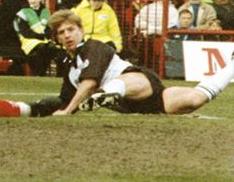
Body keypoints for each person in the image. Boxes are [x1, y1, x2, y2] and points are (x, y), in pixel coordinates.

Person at [47, 9, 234, 116]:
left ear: (81, 30)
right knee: (195, 99)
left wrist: (69, 111)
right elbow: (63, 101)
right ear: (56, 38)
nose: (67, 35)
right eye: (62, 33)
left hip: (140, 82)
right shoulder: (70, 68)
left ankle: (107, 94)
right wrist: (25, 108)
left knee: (120, 82)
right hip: (146, 104)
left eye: (71, 29)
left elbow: (89, 83)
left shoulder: (94, 46)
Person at [15, 0, 56, 76]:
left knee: (52, 48)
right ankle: (38, 73)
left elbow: (50, 26)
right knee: (40, 48)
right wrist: (38, 36)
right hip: (28, 40)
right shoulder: (23, 12)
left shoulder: (46, 11)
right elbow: (24, 30)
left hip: (43, 39)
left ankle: (41, 73)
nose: (33, 1)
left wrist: (46, 34)